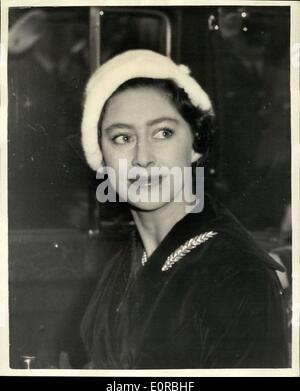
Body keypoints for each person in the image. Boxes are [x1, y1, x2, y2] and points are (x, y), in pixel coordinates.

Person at [79, 49, 289, 369]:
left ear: (195, 144)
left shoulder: (237, 275)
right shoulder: (121, 269)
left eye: (163, 133)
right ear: (101, 157)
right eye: (122, 138)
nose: (143, 157)